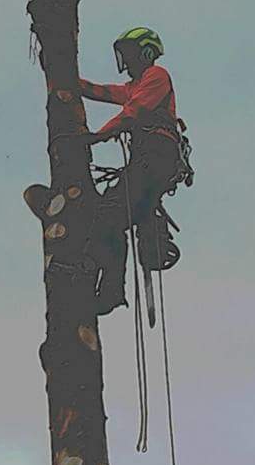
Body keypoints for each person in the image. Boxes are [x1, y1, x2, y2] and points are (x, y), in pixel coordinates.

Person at [79, 27, 186, 315]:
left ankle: (97, 269)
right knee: (115, 214)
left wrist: (97, 136)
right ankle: (112, 288)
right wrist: (69, 81)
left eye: (129, 53)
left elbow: (134, 111)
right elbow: (103, 91)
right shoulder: (135, 85)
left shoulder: (157, 76)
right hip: (149, 161)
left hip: (157, 158)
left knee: (111, 209)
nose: (125, 60)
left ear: (146, 52)